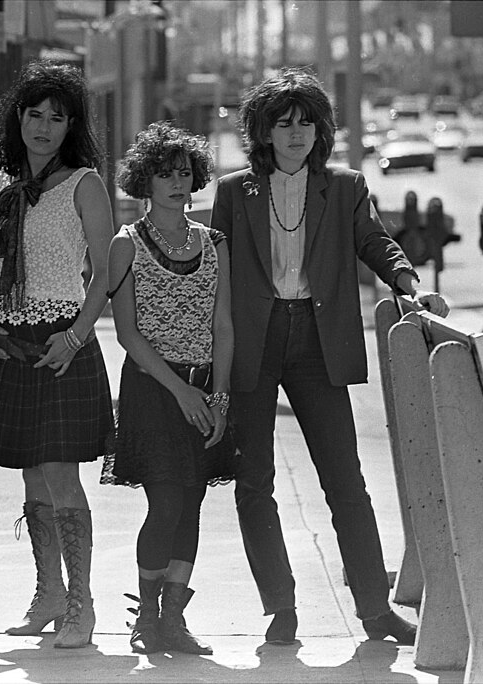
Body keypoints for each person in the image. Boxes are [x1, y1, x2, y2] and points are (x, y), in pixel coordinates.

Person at [210, 68, 449, 646]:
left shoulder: (345, 187)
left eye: (306, 122)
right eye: (282, 123)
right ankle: (281, 609)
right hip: (254, 341)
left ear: (322, 131)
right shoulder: (232, 191)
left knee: (345, 480)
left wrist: (408, 285)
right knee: (254, 481)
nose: (295, 133)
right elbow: (215, 274)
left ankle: (374, 609)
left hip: (318, 342)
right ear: (262, 133)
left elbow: (376, 242)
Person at [0, 60, 115, 649]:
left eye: (57, 118)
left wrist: (77, 336)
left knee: (60, 479)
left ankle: (81, 603)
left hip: (63, 340)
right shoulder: (4, 184)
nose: (44, 126)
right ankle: (48, 591)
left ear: (70, 126)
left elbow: (106, 273)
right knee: (32, 478)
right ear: (19, 119)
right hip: (9, 342)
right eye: (35, 114)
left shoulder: (86, 183)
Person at [100, 121, 236, 656]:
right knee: (166, 503)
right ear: (145, 181)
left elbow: (223, 326)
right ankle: (147, 617)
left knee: (194, 502)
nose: (177, 183)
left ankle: (175, 619)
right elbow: (128, 335)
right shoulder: (125, 244)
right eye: (165, 174)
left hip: (206, 389)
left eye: (185, 173)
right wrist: (182, 392)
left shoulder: (213, 243)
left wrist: (219, 398)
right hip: (154, 392)